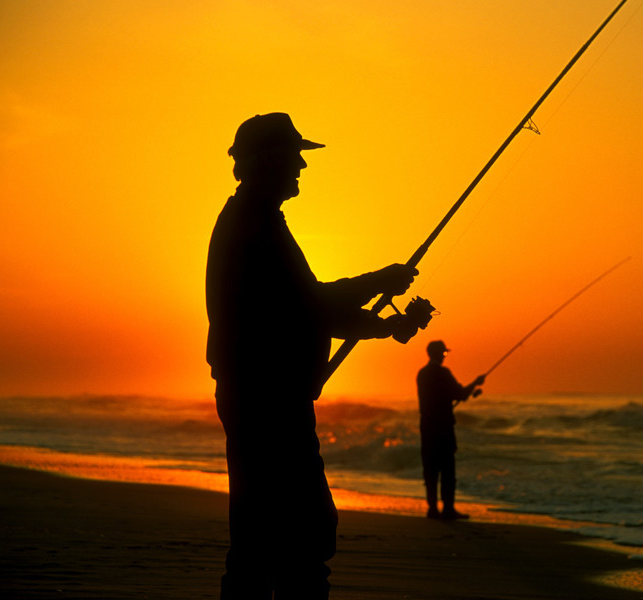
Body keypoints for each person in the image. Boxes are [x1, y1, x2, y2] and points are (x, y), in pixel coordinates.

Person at [206, 112, 422, 600]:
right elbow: (311, 305)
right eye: (295, 155)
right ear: (268, 159)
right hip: (267, 402)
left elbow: (303, 311)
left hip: (263, 399)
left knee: (261, 537)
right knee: (302, 535)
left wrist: (385, 327)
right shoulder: (251, 225)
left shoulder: (255, 220)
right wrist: (378, 283)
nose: (302, 166)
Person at [416, 340, 485, 520]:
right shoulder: (442, 373)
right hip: (443, 426)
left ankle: (432, 509)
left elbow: (449, 395)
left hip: (426, 425)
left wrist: (469, 391)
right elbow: (459, 394)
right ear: (439, 354)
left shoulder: (422, 374)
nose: (444, 357)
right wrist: (475, 383)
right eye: (444, 354)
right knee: (447, 469)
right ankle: (448, 509)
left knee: (430, 468)